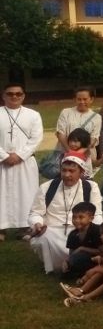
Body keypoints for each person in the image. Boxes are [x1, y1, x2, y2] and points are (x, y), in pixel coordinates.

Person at [27, 153, 103, 273]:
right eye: (64, 170)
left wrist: (92, 231)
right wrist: (37, 223)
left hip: (80, 232)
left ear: (82, 172)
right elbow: (35, 213)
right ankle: (52, 267)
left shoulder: (91, 187)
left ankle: (72, 265)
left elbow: (97, 214)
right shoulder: (47, 187)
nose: (67, 175)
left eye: (72, 171)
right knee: (42, 238)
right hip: (52, 231)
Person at [0, 83, 43, 238]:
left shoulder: (33, 115)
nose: (14, 96)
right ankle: (1, 228)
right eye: (10, 94)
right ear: (4, 96)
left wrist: (19, 155)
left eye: (18, 94)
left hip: (24, 162)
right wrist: (4, 156)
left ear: (23, 96)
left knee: (26, 193)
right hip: (1, 162)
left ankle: (25, 226)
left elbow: (36, 138)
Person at [54, 87, 101, 161]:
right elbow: (60, 133)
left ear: (91, 99)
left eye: (85, 99)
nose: (82, 102)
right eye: (79, 99)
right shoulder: (66, 112)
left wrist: (80, 152)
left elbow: (94, 138)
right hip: (64, 153)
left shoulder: (97, 117)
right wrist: (69, 151)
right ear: (74, 99)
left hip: (86, 156)